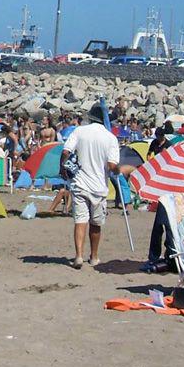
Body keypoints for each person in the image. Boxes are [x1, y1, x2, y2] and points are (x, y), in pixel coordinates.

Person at [61, 104, 120, 269]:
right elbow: (111, 164)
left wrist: (62, 168)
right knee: (96, 223)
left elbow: (66, 151)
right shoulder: (110, 138)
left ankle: (79, 256)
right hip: (99, 186)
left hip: (80, 183)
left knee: (80, 220)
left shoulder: (80, 131)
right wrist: (118, 169)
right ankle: (94, 257)